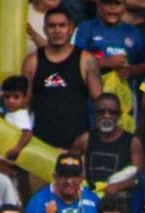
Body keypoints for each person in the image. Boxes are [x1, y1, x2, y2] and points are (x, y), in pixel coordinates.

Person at [22, 7, 103, 150]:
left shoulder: (86, 60)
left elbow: (100, 103)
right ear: (45, 29)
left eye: (62, 25)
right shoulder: (31, 62)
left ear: (71, 29)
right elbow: (24, 105)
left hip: (77, 142)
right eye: (52, 26)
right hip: (40, 141)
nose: (57, 30)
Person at [70, 93, 144, 199]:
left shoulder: (132, 142)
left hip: (119, 200)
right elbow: (69, 169)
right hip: (88, 198)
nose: (106, 116)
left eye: (112, 112)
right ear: (95, 114)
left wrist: (118, 186)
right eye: (101, 112)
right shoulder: (84, 139)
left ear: (119, 115)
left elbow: (141, 178)